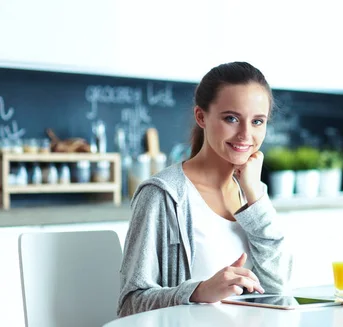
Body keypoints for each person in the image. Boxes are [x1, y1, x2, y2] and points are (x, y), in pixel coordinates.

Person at [117, 61, 293, 317]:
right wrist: (198, 291)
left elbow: (279, 291)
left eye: (257, 121)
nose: (245, 134)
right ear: (201, 116)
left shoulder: (253, 193)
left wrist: (256, 196)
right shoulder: (162, 195)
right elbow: (129, 305)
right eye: (231, 118)